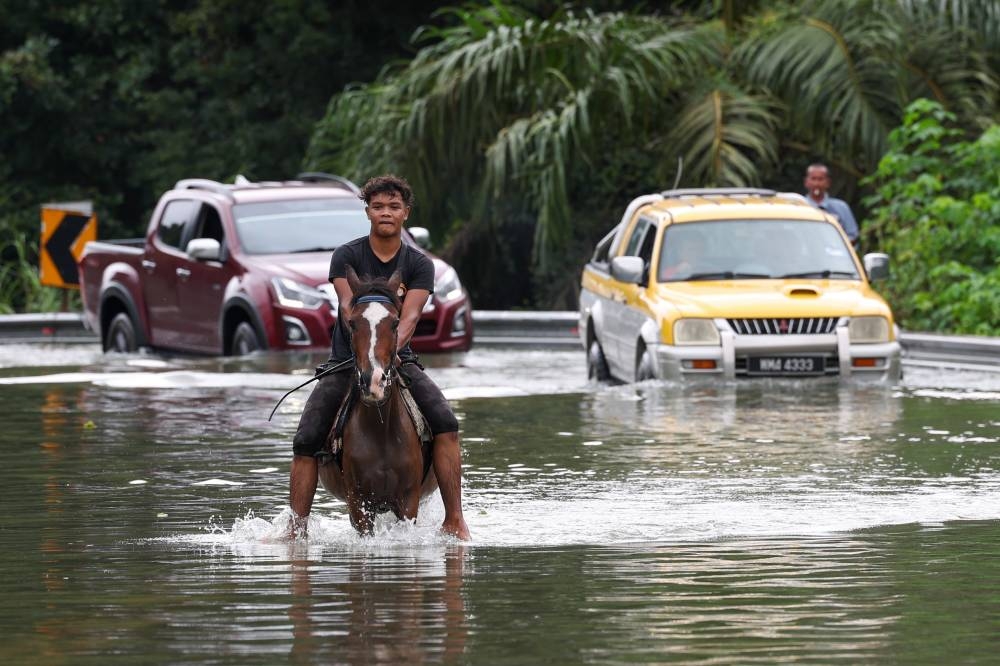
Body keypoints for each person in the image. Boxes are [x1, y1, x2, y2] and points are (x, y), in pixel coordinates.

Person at [288, 174, 470, 540]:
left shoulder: (419, 264)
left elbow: (412, 316)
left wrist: (387, 357)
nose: (386, 212)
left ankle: (455, 519)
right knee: (306, 438)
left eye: (394, 206)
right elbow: (346, 307)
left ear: (406, 213)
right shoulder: (346, 256)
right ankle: (296, 528)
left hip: (398, 358)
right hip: (348, 360)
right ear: (367, 212)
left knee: (446, 422)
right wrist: (365, 355)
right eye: (378, 206)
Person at [804, 163, 859, 244]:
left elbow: (853, 235)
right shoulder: (798, 206)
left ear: (828, 182)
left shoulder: (841, 207)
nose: (816, 183)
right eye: (813, 179)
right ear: (806, 182)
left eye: (820, 179)